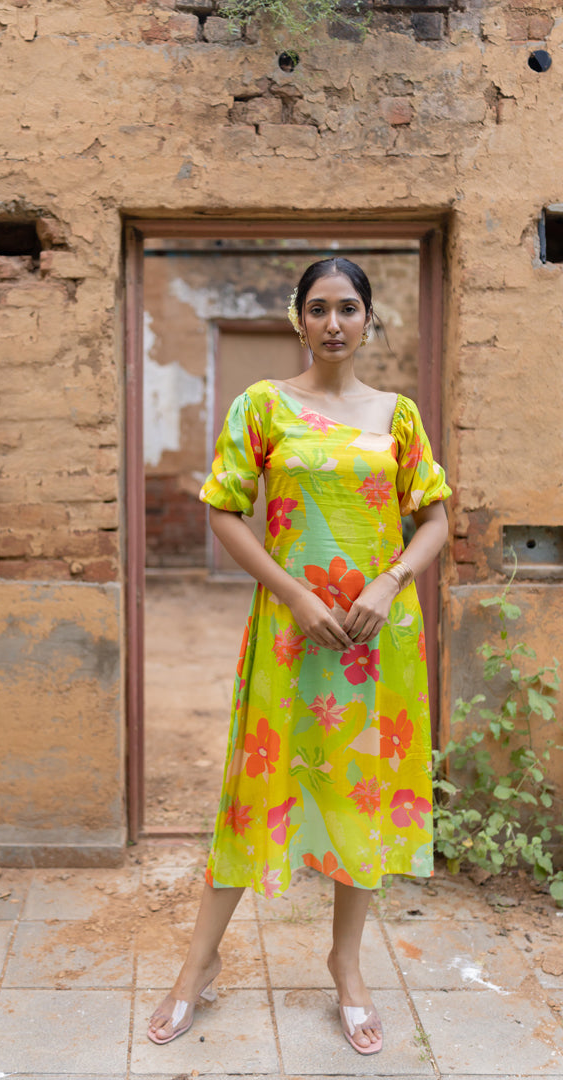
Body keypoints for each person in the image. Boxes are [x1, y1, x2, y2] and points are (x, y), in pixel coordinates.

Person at [147, 258, 451, 1054]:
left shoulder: (398, 417)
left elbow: (436, 521)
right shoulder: (263, 406)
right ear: (298, 319)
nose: (333, 323)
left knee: (360, 792)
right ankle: (198, 965)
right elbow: (224, 510)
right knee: (256, 790)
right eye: (318, 308)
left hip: (375, 641)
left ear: (369, 318)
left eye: (348, 307)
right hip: (292, 634)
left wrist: (388, 582)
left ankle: (346, 965)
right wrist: (293, 594)